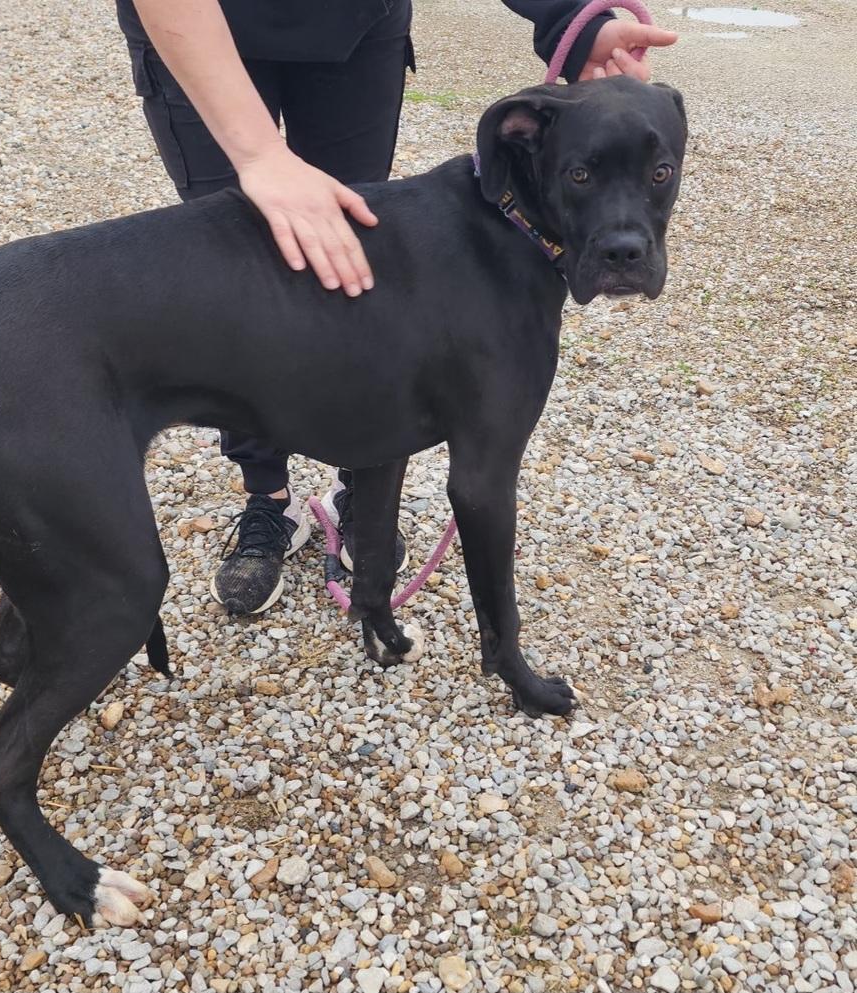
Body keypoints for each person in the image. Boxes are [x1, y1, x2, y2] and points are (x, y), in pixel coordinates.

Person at [114, 0, 677, 615]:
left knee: (360, 284)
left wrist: (572, 18)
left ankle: (360, 493)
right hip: (201, 28)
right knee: (240, 291)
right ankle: (267, 496)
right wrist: (258, 156)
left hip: (352, 27)